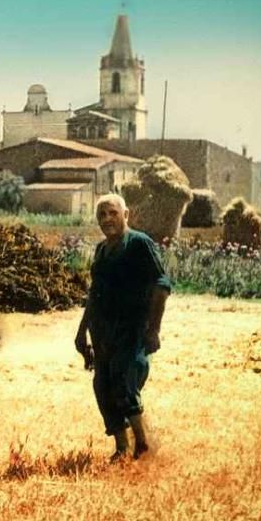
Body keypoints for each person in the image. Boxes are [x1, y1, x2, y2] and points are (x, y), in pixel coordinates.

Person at [75, 193, 172, 461]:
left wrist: (153, 329)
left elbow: (161, 286)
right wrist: (81, 331)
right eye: (102, 215)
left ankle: (141, 444)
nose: (107, 219)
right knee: (103, 387)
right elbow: (94, 294)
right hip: (103, 331)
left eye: (112, 213)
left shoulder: (140, 244)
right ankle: (121, 447)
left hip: (132, 329)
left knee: (124, 382)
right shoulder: (101, 250)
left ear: (126, 215)